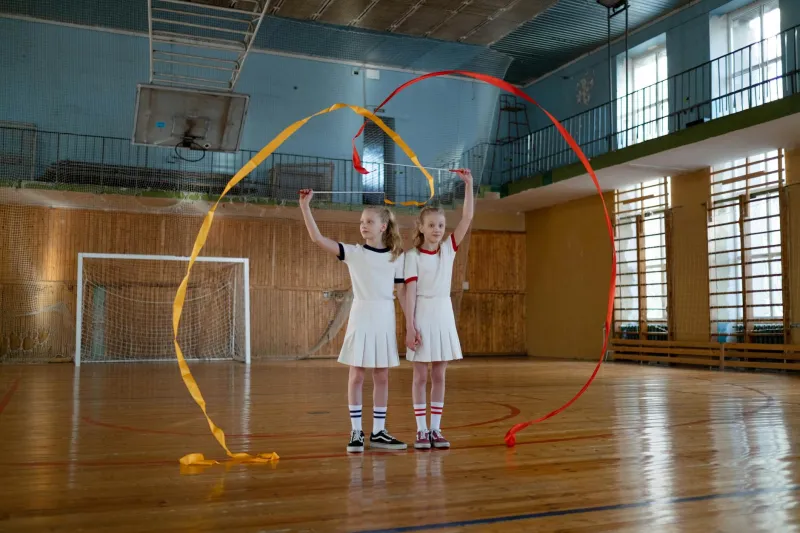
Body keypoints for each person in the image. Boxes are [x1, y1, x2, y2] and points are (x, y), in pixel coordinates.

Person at [299, 189, 408, 453]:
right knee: (356, 374)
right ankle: (356, 432)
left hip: (384, 317)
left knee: (382, 375)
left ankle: (379, 432)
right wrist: (305, 206)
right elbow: (317, 238)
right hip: (361, 315)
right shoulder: (354, 252)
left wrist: (412, 325)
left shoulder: (397, 256)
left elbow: (403, 292)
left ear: (383, 226)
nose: (363, 225)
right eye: (361, 222)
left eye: (369, 221)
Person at [403, 169, 474, 449]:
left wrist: (468, 185)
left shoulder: (448, 250)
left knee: (439, 374)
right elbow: (409, 293)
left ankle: (435, 429)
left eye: (441, 225)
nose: (437, 229)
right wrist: (410, 326)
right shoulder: (412, 256)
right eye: (432, 225)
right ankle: (421, 430)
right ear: (421, 227)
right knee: (420, 375)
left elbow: (467, 218)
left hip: (444, 314)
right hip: (422, 314)